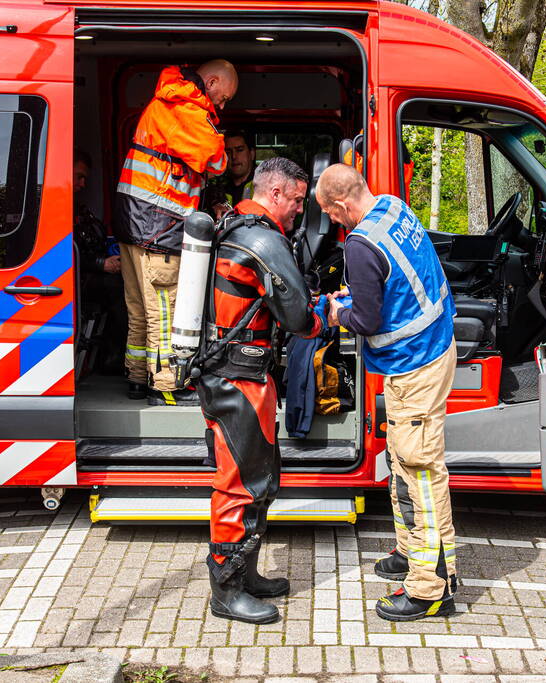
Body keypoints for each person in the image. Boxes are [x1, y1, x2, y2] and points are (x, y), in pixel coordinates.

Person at [316, 163, 459, 622]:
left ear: (341, 205)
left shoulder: (359, 246)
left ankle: (430, 587)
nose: (333, 223)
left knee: (419, 472)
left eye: (330, 214)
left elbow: (368, 321)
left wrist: (337, 314)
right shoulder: (392, 208)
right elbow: (394, 284)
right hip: (435, 347)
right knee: (401, 461)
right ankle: (408, 552)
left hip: (413, 367)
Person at [200, 157, 325, 624]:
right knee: (238, 486)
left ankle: (246, 573)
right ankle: (226, 590)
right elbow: (297, 316)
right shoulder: (261, 239)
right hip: (238, 379)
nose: (299, 209)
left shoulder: (235, 225)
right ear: (274, 193)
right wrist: (323, 317)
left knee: (259, 481)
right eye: (296, 200)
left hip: (240, 375)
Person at [114, 59, 238, 405]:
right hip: (159, 227)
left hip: (135, 225)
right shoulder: (184, 106)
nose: (222, 107)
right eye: (224, 98)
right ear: (211, 82)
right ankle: (166, 385)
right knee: (163, 314)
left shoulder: (167, 103)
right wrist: (216, 138)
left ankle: (138, 377)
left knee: (139, 310)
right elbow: (215, 161)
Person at [74, 149, 125, 374]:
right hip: (75, 280)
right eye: (79, 176)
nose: (83, 184)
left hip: (85, 273)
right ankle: (114, 357)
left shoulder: (79, 210)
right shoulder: (53, 207)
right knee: (118, 288)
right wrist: (100, 264)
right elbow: (60, 254)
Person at [206, 129, 256, 217]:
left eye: (239, 150)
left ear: (252, 154)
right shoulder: (215, 185)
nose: (234, 156)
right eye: (228, 152)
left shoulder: (263, 183)